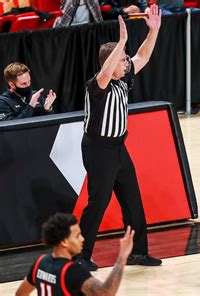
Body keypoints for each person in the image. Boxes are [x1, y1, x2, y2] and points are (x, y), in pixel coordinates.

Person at [78, 4, 162, 271]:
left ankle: (138, 252)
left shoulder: (124, 79)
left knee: (132, 200)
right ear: (110, 63)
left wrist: (154, 32)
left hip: (118, 147)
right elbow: (105, 73)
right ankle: (80, 255)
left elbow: (143, 56)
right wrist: (122, 41)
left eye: (126, 60)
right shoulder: (97, 85)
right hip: (98, 149)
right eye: (122, 60)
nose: (127, 63)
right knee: (97, 203)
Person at [15, 213, 134, 296]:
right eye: (77, 236)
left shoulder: (40, 263)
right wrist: (122, 257)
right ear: (64, 242)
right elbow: (106, 292)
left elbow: (20, 293)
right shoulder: (73, 272)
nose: (82, 239)